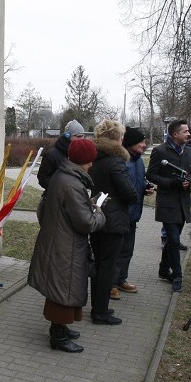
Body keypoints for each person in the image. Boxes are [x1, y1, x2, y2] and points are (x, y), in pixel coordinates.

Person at [28, 138, 106, 353]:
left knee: (60, 288)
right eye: (90, 160)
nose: (92, 164)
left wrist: (88, 204)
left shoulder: (62, 176)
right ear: (84, 160)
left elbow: (62, 209)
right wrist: (98, 212)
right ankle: (58, 336)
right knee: (63, 290)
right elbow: (86, 222)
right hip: (65, 246)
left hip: (59, 242)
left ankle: (61, 329)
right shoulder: (72, 183)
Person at [88, 120, 137, 324]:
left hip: (96, 217)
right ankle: (101, 311)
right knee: (108, 266)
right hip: (113, 220)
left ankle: (97, 307)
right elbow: (129, 193)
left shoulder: (94, 159)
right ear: (116, 137)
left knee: (99, 264)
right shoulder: (116, 161)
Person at [146, 119, 191, 292]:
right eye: (185, 131)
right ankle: (177, 276)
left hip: (183, 202)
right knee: (175, 239)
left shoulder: (190, 151)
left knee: (172, 239)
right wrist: (170, 183)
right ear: (175, 134)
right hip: (167, 202)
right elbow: (151, 174)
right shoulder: (160, 151)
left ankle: (163, 268)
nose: (188, 134)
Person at [114, 127, 155, 294]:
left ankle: (121, 279)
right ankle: (110, 284)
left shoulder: (138, 160)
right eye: (141, 142)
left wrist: (146, 187)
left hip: (134, 214)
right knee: (116, 251)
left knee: (127, 250)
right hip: (120, 213)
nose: (144, 145)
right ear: (130, 143)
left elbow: (140, 180)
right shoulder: (121, 160)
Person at [36, 120, 85, 189]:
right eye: (78, 136)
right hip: (57, 197)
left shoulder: (81, 153)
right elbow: (43, 178)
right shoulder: (51, 155)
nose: (81, 139)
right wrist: (60, 188)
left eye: (82, 136)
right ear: (67, 136)